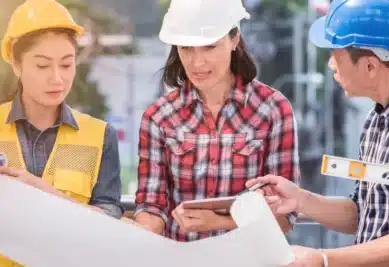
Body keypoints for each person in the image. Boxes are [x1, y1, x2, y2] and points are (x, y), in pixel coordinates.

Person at [247, 0, 389, 266]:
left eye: (335, 55)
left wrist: (324, 259)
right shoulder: (376, 121)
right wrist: (300, 199)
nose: (330, 65)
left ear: (370, 67)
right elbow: (363, 212)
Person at [133, 0, 300, 242]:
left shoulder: (272, 110)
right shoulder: (159, 117)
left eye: (209, 47)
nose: (197, 63)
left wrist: (222, 222)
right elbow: (151, 205)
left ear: (234, 39)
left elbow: (284, 215)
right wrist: (141, 231)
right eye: (186, 48)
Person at [0, 0, 124, 265]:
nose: (56, 78)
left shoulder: (100, 136)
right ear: (16, 64)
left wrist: (48, 196)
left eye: (66, 65)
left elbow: (111, 228)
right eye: (43, 66)